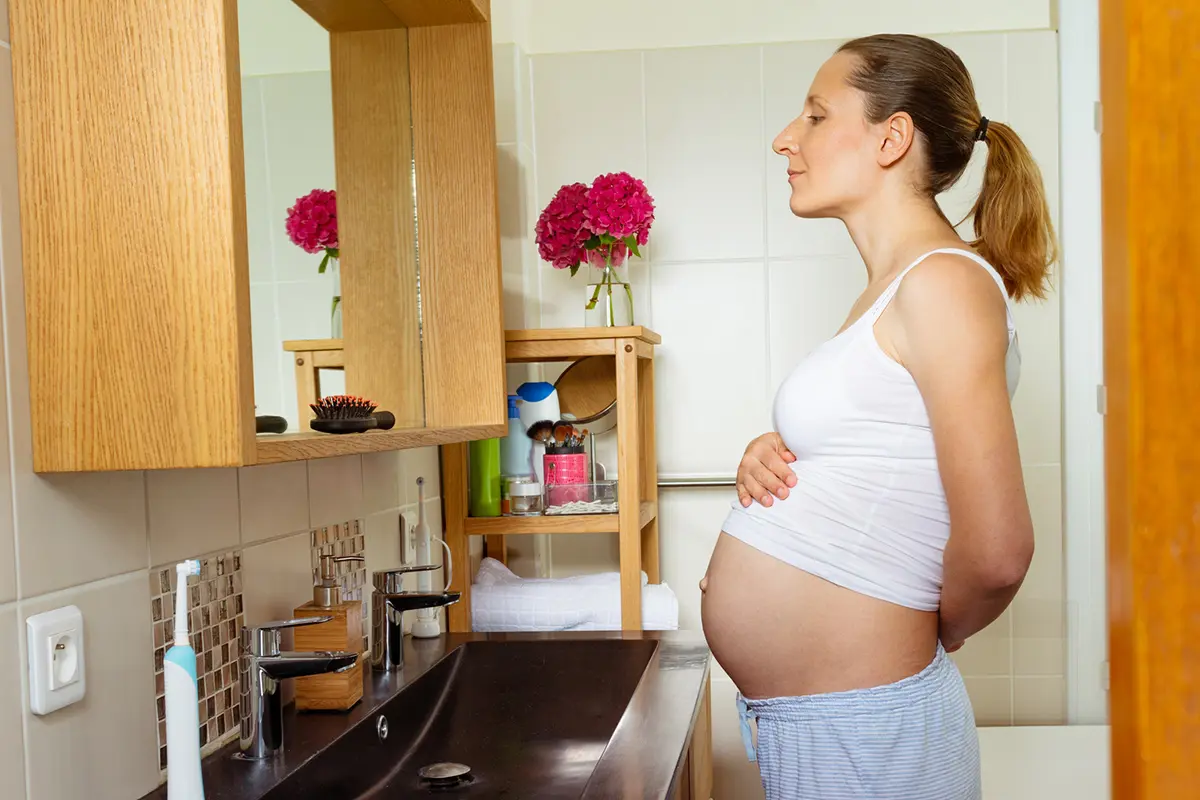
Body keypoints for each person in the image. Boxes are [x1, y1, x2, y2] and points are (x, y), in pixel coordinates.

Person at [699, 33, 1056, 800]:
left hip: (868, 733)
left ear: (892, 139)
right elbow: (887, 456)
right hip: (837, 726)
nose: (785, 139)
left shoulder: (943, 285)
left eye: (816, 116)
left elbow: (1000, 552)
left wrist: (925, 628)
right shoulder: (901, 287)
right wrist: (779, 456)